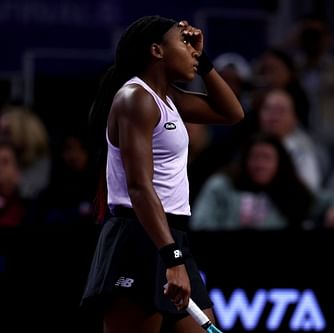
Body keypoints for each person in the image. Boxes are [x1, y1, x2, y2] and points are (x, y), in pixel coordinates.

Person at [81, 16, 244, 333]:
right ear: (156, 50)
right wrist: (172, 258)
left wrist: (204, 59)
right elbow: (139, 188)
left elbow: (232, 113)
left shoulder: (171, 99)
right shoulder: (135, 98)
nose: (192, 50)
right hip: (138, 239)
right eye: (183, 43)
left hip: (171, 236)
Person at [190, 132, 315, 230]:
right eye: (255, 157)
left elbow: (323, 202)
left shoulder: (292, 190)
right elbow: (200, 224)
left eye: (267, 158)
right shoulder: (220, 187)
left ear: (280, 163)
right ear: (245, 160)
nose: (260, 165)